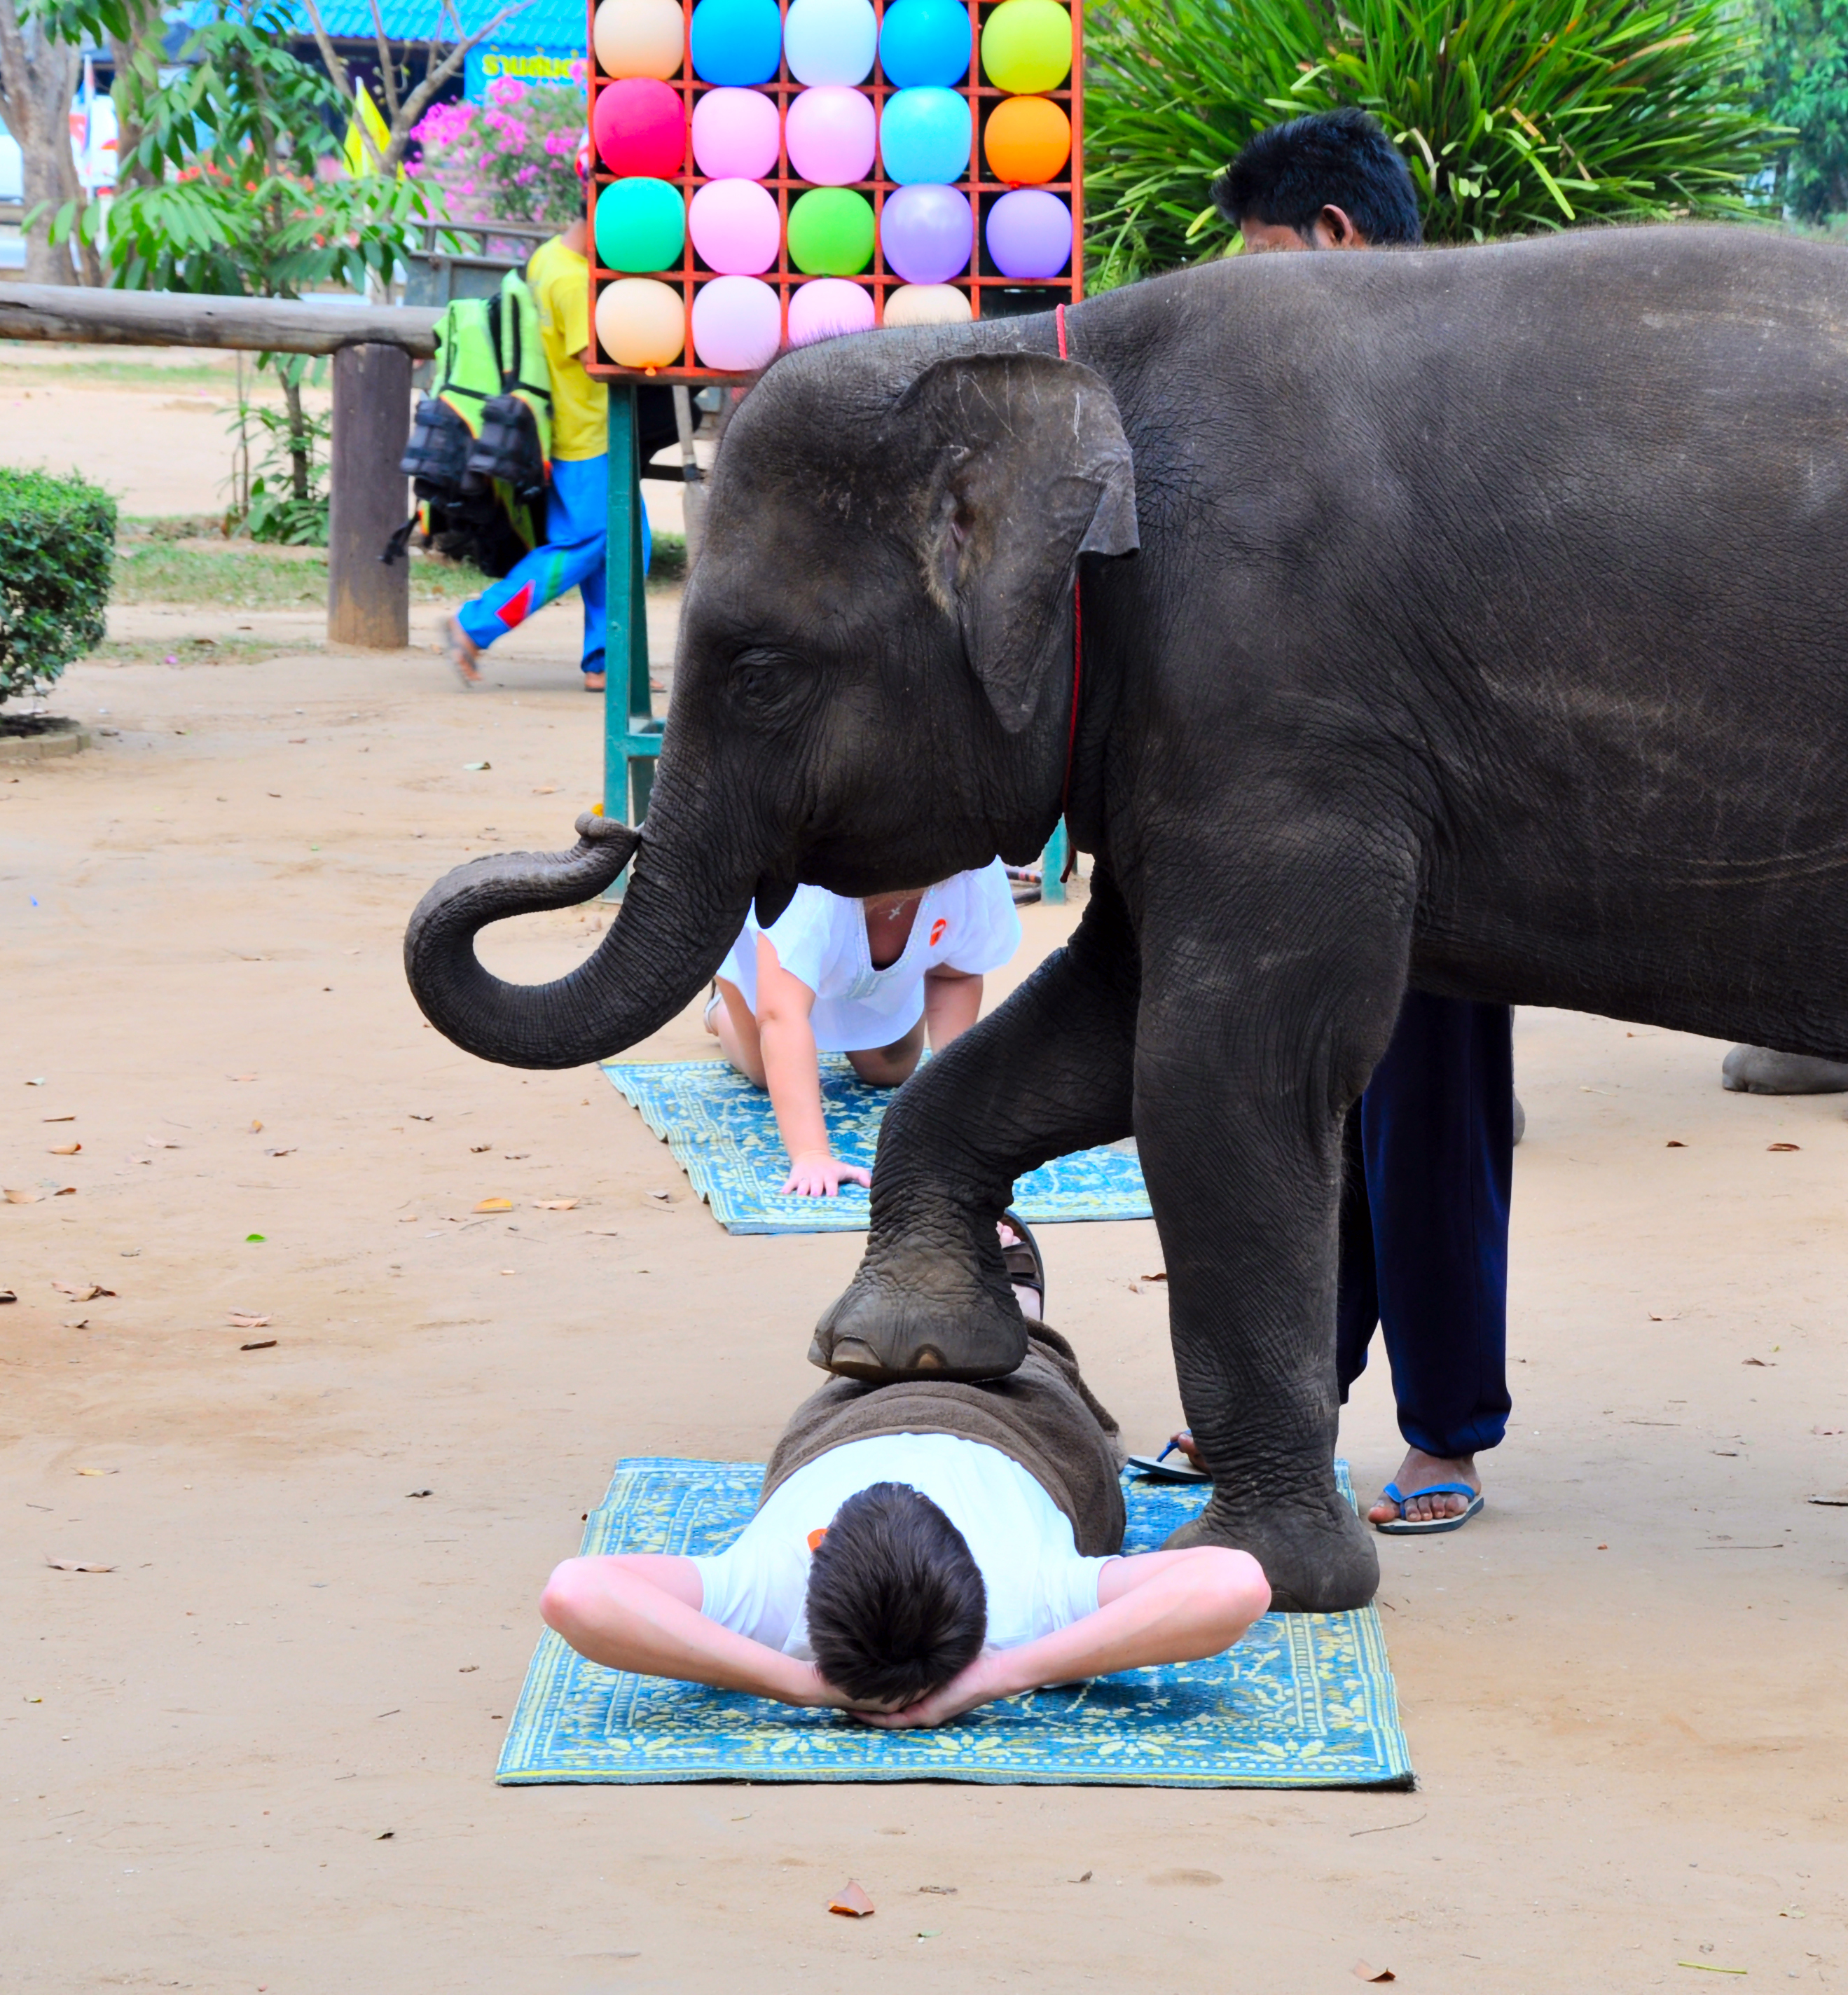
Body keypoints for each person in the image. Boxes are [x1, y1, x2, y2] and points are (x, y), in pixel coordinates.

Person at [1136, 110, 1514, 1536]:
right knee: (1305, 1107)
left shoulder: (1459, 372)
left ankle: (1447, 1433)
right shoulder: (1317, 388)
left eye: (1262, 256)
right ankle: (1288, 1405)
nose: (1246, 290)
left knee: (1429, 1119)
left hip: (1454, 814)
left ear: (1337, 239)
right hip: (1312, 810)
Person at [539, 1328, 1270, 1728]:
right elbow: (1235, 1583)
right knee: (1009, 1323)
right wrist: (1002, 1674)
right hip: (1024, 1413)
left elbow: (576, 1592)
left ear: (815, 1547)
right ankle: (1010, 1286)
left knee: (888, 1324)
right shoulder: (1030, 1598)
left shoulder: (763, 1593)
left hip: (851, 1406)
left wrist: (799, 1685)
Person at [705, 867, 1021, 1199]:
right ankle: (722, 1009)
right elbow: (780, 1015)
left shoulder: (973, 869)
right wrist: (811, 1155)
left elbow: (955, 975)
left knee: (892, 1067)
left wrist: (958, 1101)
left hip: (866, 964)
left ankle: (888, 986)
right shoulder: (810, 882)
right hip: (780, 964)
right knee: (763, 1072)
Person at [440, 182, 644, 695]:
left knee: (629, 544)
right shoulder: (574, 284)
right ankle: (474, 624)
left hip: (579, 434)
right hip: (587, 438)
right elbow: (594, 364)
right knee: (582, 547)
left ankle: (606, 662)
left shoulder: (549, 258)